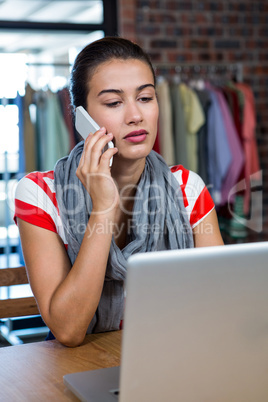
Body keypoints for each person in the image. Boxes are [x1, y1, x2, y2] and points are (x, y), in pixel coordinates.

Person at [14, 37, 224, 347]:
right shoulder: (39, 194)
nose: (135, 115)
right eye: (114, 103)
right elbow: (69, 330)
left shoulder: (186, 188)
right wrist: (103, 206)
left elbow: (221, 301)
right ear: (81, 118)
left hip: (170, 355)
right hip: (76, 368)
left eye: (145, 98)